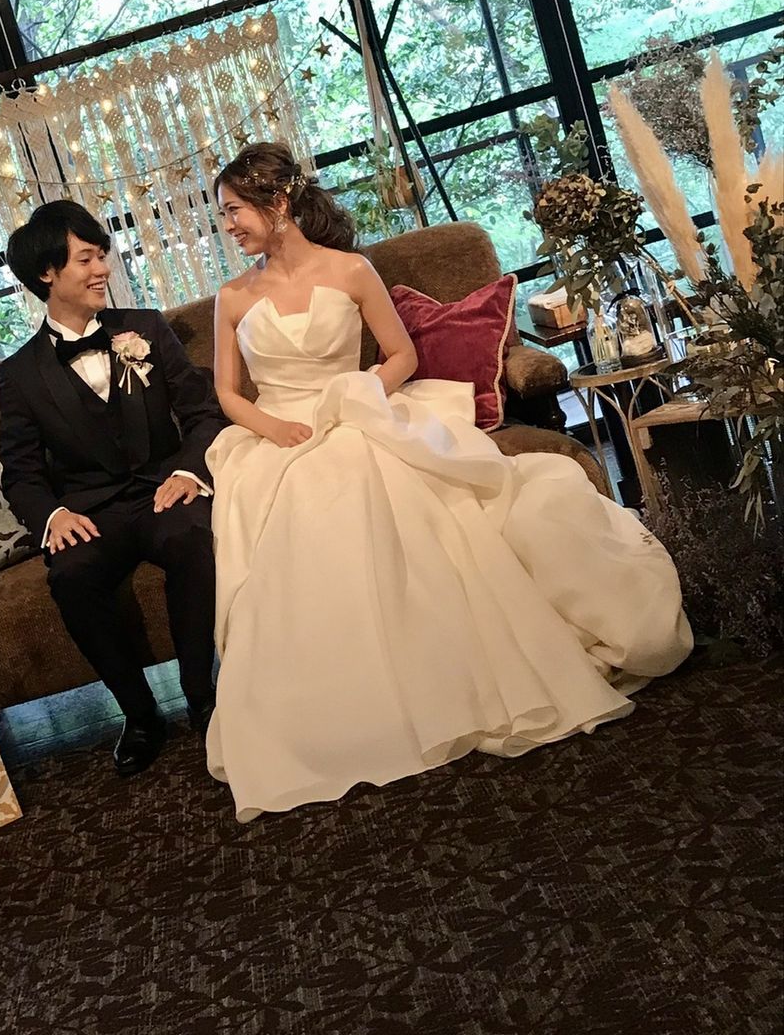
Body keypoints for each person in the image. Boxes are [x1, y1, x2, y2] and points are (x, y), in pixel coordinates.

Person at [205, 143, 693, 823]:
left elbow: (401, 355)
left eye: (234, 210)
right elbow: (228, 393)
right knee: (302, 505)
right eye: (224, 214)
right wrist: (275, 427)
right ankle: (335, 705)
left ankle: (445, 674)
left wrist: (356, 395)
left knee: (392, 489)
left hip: (359, 412)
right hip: (278, 435)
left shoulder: (351, 271)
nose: (228, 226)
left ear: (278, 201)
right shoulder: (233, 298)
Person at [0, 200, 227, 776]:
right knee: (70, 576)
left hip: (162, 490)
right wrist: (51, 516)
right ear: (46, 273)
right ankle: (141, 714)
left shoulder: (146, 328)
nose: (102, 269)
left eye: (102, 255)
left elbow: (202, 412)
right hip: (90, 512)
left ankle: (202, 696)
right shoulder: (19, 374)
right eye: (85, 259)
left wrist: (188, 471)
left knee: (192, 539)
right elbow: (20, 470)